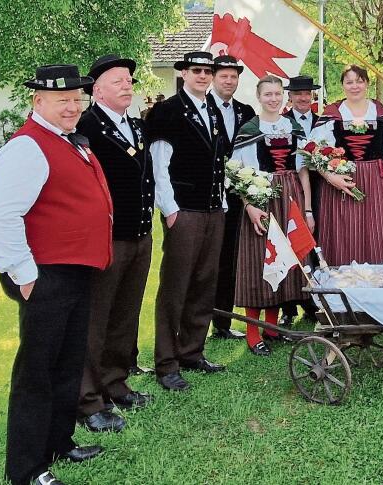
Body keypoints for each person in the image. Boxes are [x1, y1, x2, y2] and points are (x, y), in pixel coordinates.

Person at [0, 64, 111, 485]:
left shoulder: (67, 141)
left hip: (74, 271)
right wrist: (24, 273)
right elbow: (1, 217)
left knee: (68, 364)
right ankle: (26, 469)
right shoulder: (26, 147)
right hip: (45, 274)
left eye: (78, 99)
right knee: (36, 372)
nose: (73, 107)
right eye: (63, 100)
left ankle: (59, 443)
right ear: (38, 101)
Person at [75, 54, 153, 433]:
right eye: (118, 80)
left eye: (129, 80)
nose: (128, 85)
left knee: (125, 313)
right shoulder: (86, 126)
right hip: (107, 239)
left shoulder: (135, 126)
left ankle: (116, 382)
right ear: (98, 89)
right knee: (96, 319)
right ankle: (89, 399)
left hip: (138, 234)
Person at [147, 51, 227, 392]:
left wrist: (222, 202)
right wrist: (170, 209)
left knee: (204, 283)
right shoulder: (166, 112)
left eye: (208, 71)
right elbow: (158, 165)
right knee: (176, 286)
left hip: (212, 209)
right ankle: (166, 363)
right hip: (185, 210)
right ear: (183, 73)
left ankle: (192, 351)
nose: (203, 76)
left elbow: (220, 161)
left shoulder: (213, 110)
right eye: (196, 71)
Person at [232, 75, 313, 356]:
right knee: (259, 262)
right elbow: (235, 172)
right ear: (259, 97)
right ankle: (253, 333)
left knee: (285, 259)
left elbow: (303, 169)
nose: (273, 99)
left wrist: (308, 208)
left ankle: (272, 328)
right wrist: (249, 205)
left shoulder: (292, 126)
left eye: (278, 94)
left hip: (290, 195)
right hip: (260, 196)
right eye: (268, 94)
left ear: (284, 96)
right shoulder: (249, 129)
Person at [309, 65, 383, 266]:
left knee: (377, 235)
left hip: (377, 183)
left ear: (367, 83)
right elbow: (314, 152)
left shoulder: (382, 114)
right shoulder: (331, 114)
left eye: (359, 81)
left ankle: (376, 290)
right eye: (349, 82)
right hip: (340, 185)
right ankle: (339, 290)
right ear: (343, 85)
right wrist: (330, 177)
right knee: (342, 237)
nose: (355, 86)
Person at [209, 55, 257, 340]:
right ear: (214, 78)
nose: (229, 81)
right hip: (209, 193)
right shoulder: (204, 108)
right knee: (210, 260)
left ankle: (223, 322)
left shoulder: (246, 111)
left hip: (239, 194)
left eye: (233, 77)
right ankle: (201, 319)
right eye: (224, 76)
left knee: (232, 257)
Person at [279, 75, 323, 326]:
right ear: (290, 97)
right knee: (292, 239)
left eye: (307, 93)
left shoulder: (322, 121)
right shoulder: (281, 123)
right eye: (298, 94)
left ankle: (313, 302)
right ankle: (288, 306)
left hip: (321, 186)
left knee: (316, 242)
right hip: (293, 186)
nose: (304, 97)